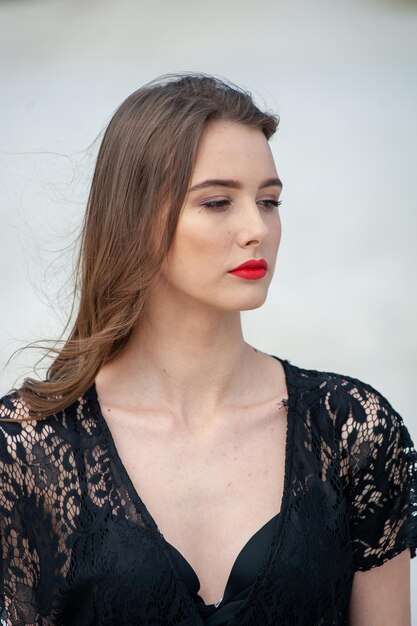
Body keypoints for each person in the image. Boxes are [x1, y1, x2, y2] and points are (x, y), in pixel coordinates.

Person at [0, 73, 416, 626]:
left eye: (269, 201)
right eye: (218, 202)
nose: (257, 229)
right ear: (135, 217)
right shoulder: (31, 449)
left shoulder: (349, 430)